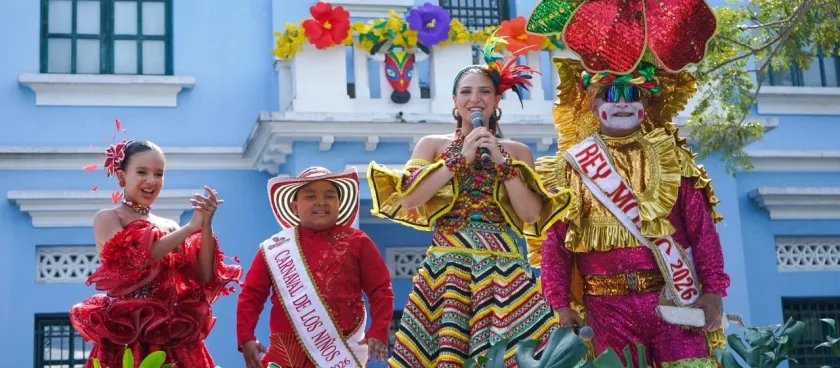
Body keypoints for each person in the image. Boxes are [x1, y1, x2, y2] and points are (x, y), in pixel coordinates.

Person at [367, 39, 574, 367]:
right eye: (466, 92)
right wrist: (456, 161)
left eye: (484, 92)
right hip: (449, 273)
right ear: (454, 101)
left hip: (504, 271)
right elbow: (410, 198)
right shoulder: (432, 145)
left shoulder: (517, 151)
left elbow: (530, 214)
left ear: (496, 101)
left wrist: (503, 165)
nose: (474, 99)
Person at [533, 59, 731, 368]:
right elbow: (556, 244)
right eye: (611, 94)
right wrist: (558, 303)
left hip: (674, 299)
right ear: (593, 102)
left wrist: (714, 290)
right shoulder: (571, 168)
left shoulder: (672, 158)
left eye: (633, 94)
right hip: (605, 310)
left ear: (647, 102)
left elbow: (702, 232)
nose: (622, 102)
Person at [69, 135, 242, 368]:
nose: (151, 180)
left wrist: (206, 223)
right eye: (142, 172)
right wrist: (190, 227)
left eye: (159, 174)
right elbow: (136, 260)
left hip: (170, 335)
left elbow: (202, 275)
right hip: (125, 334)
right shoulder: (108, 218)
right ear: (121, 176)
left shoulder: (170, 226)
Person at [236, 166, 395, 368]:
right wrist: (245, 336)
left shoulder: (358, 241)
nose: (321, 202)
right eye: (311, 197)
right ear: (295, 207)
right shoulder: (275, 248)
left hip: (343, 352)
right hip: (287, 354)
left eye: (329, 196)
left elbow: (381, 290)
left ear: (339, 203)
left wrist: (378, 331)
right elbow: (252, 294)